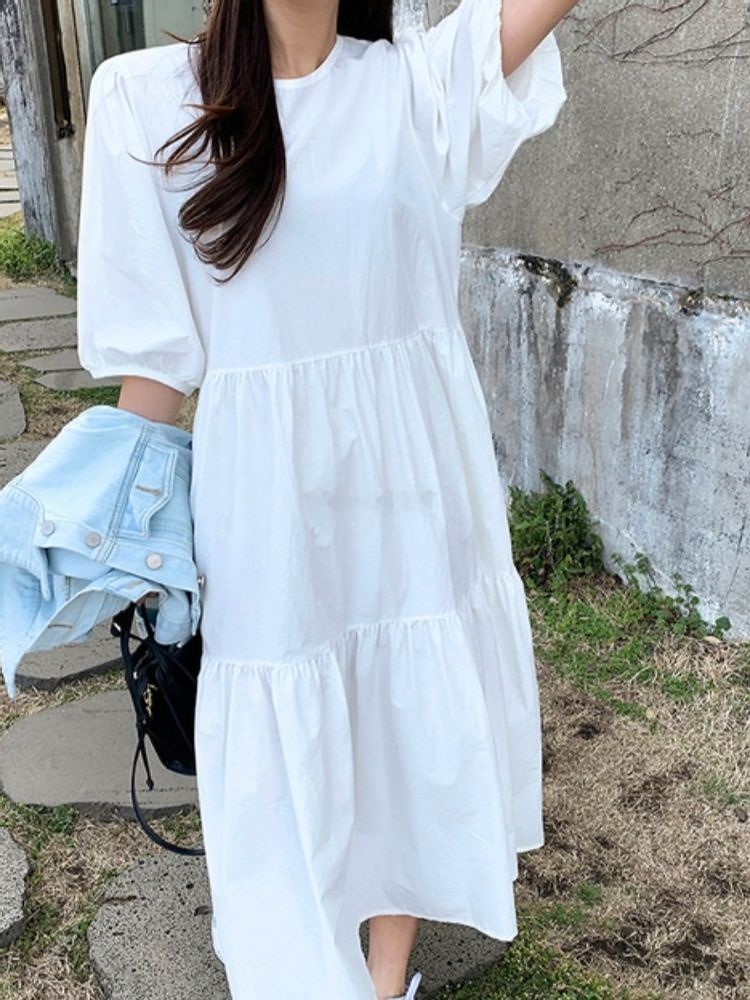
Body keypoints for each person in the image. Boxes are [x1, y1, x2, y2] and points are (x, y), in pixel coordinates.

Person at [75, 0, 574, 996]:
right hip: (263, 497)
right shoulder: (144, 100)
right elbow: (155, 364)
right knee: (280, 734)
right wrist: (118, 527)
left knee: (401, 722)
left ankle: (386, 981)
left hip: (411, 485)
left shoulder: (413, 84)